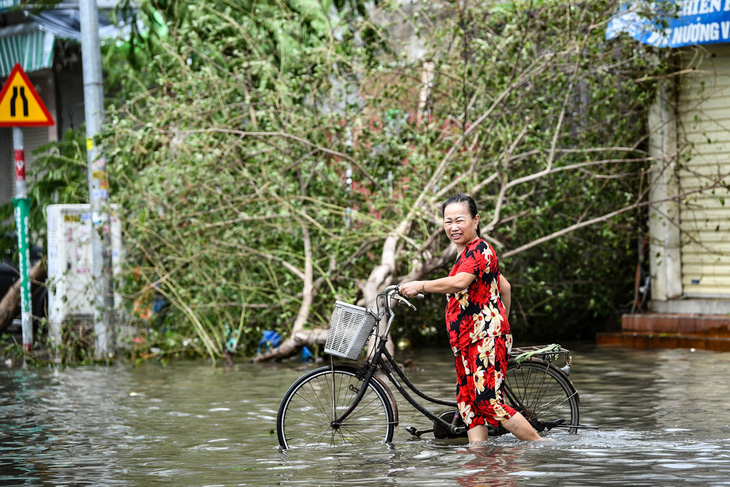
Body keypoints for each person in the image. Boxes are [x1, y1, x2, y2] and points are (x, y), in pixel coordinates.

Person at [399, 193, 543, 444]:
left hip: (484, 339)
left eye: (460, 220)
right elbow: (505, 286)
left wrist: (420, 285)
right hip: (466, 341)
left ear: (476, 220)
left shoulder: (480, 249)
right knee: (469, 406)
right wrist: (501, 321)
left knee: (488, 403)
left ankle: (543, 446)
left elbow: (459, 283)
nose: (453, 227)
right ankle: (480, 462)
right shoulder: (463, 255)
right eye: (447, 221)